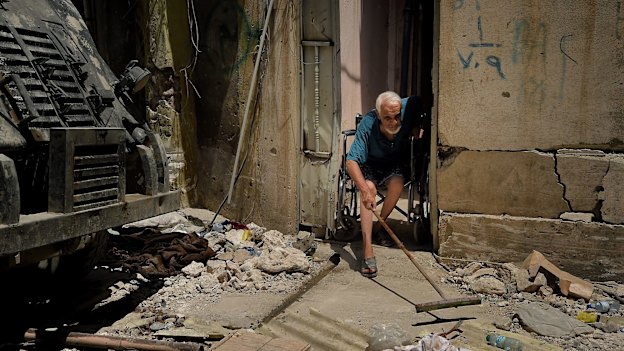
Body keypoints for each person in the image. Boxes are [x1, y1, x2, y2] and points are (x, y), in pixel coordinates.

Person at [346, 91, 422, 278]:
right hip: (370, 165)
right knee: (369, 189)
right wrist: (364, 190)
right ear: (378, 115)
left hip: (394, 165)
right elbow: (351, 161)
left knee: (397, 182)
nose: (394, 122)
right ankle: (367, 249)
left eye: (397, 117)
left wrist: (417, 124)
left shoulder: (406, 107)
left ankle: (380, 226)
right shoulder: (368, 124)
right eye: (388, 118)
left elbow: (425, 99)